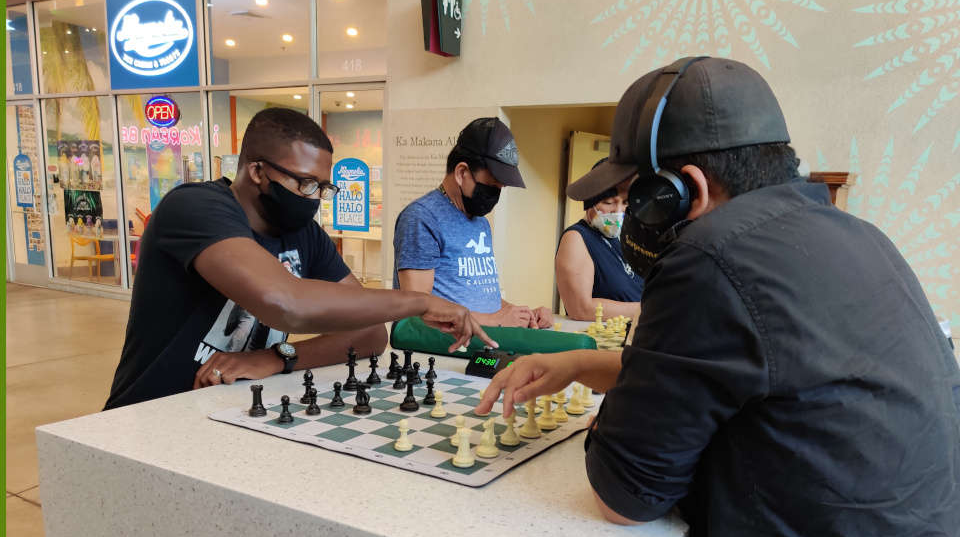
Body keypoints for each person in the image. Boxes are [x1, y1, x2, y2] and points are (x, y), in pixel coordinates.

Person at [477, 57, 960, 537]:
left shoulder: (710, 255)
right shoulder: (860, 238)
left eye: (634, 193)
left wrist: (623, 401)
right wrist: (582, 363)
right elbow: (759, 380)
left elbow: (624, 497)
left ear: (682, 190)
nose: (625, 213)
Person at [106, 108, 493, 410]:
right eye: (305, 184)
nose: (313, 198)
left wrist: (278, 358)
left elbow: (370, 334)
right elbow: (285, 304)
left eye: (322, 188)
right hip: (152, 412)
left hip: (227, 411)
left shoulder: (304, 234)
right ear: (257, 170)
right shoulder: (195, 207)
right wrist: (420, 301)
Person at [393, 117, 553, 329]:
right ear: (461, 173)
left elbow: (480, 296)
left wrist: (521, 314)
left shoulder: (480, 222)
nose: (494, 195)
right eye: (490, 186)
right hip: (441, 352)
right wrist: (496, 321)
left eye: (500, 188)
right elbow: (416, 310)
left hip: (480, 343)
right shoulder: (421, 218)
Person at [555, 158, 643, 320]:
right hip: (601, 339)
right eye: (608, 202)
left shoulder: (626, 237)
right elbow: (581, 308)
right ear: (590, 201)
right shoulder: (576, 238)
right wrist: (649, 309)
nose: (618, 211)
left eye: (625, 203)